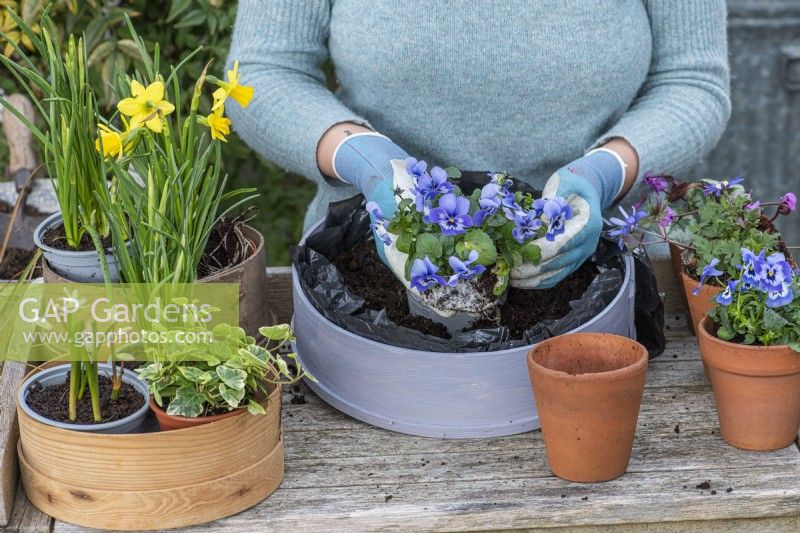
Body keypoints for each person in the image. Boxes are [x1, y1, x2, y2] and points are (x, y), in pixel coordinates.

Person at [227, 1, 730, 288]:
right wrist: (363, 160)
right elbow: (263, 74)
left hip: (595, 261)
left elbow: (692, 81)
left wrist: (609, 170)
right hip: (374, 259)